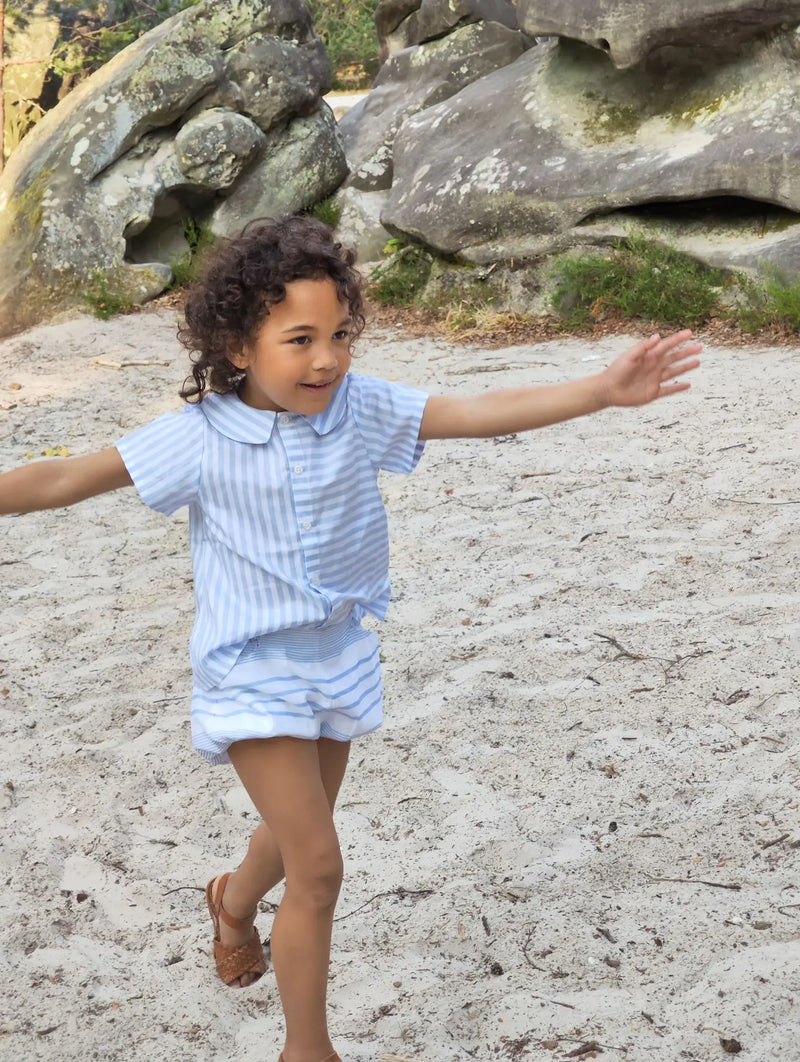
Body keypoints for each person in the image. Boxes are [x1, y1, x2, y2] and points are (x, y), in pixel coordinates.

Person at [0, 215, 700, 1062]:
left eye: (339, 334)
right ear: (236, 346)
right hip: (249, 667)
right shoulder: (199, 437)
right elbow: (66, 476)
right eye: (299, 339)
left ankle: (231, 901)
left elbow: (474, 410)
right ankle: (309, 1049)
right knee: (320, 866)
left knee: (299, 831)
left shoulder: (357, 410)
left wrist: (597, 389)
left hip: (335, 653)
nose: (326, 358)